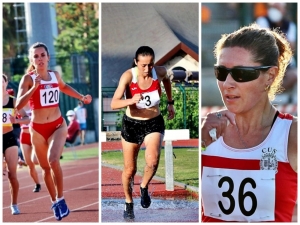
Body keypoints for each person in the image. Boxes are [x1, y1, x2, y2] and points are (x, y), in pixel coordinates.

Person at [201, 23, 297, 222]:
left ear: (270, 76)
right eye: (221, 72)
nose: (228, 83)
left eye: (241, 73)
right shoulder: (204, 132)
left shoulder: (292, 136)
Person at [15, 42, 92, 221]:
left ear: (48, 57)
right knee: (45, 168)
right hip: (37, 129)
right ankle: (54, 201)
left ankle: (62, 198)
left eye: (43, 55)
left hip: (57, 125)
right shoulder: (27, 79)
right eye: (36, 56)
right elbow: (18, 106)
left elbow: (63, 87)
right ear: (31, 60)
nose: (40, 59)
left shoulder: (55, 75)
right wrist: (34, 87)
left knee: (53, 160)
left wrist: (81, 97)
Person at [111, 46, 175, 220]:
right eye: (144, 65)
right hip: (131, 124)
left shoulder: (159, 72)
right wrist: (131, 100)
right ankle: (128, 202)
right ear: (136, 62)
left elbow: (167, 81)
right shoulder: (128, 76)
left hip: (153, 123)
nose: (147, 69)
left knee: (152, 161)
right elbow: (114, 103)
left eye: (151, 65)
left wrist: (170, 102)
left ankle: (144, 186)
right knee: (130, 170)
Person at [256, 3, 297, 92]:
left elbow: (291, 47)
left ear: (284, 10)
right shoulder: (262, 20)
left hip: (284, 60)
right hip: (266, 59)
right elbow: (264, 41)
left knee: (294, 75)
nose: (274, 11)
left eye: (278, 8)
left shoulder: (290, 25)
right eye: (273, 8)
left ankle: (275, 93)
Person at [2, 74, 22, 215]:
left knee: (12, 175)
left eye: (1, 81)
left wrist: (16, 120)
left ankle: (14, 204)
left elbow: (26, 117)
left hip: (9, 138)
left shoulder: (13, 101)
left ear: (6, 83)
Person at [19, 102, 41, 193]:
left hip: (35, 135)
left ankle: (49, 171)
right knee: (30, 165)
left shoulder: (35, 105)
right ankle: (37, 184)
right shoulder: (18, 106)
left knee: (35, 160)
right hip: (24, 136)